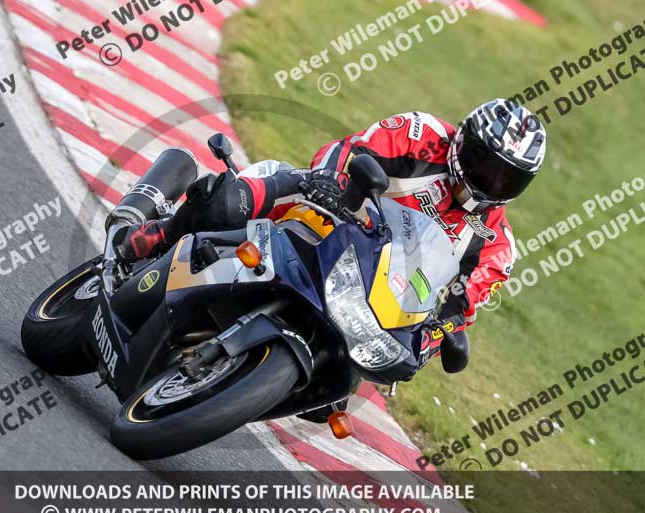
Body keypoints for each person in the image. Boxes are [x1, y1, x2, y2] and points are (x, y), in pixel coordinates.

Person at [110, 98, 547, 369]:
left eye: (507, 178)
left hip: (372, 293)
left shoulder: (498, 247)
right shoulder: (423, 134)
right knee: (230, 204)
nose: (491, 181)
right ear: (463, 142)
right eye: (484, 162)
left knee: (339, 387)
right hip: (332, 213)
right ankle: (157, 234)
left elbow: (459, 306)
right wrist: (333, 182)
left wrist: (439, 335)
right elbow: (351, 149)